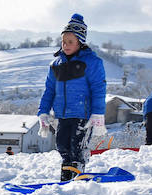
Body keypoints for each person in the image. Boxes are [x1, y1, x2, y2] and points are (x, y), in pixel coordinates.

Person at [37, 13, 107, 181]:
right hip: (62, 114)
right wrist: (43, 112)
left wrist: (98, 113)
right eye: (63, 41)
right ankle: (66, 175)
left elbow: (99, 88)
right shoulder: (56, 65)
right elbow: (49, 90)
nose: (65, 45)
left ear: (80, 42)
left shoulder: (92, 62)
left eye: (70, 42)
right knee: (62, 146)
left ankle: (78, 172)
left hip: (83, 115)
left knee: (76, 146)